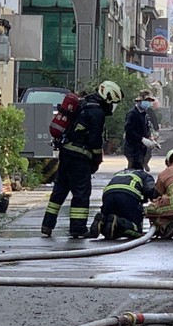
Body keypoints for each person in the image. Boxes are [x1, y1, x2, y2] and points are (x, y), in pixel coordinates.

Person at [40, 80, 124, 238]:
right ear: (107, 98)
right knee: (81, 193)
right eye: (113, 103)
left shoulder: (84, 103)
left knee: (59, 190)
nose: (113, 107)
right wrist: (97, 159)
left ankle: (47, 225)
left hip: (66, 152)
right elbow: (94, 140)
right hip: (79, 156)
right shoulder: (97, 112)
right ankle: (78, 229)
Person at [88, 168, 158, 240]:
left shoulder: (120, 173)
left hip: (108, 195)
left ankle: (102, 221)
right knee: (136, 230)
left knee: (108, 224)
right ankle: (118, 222)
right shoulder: (145, 175)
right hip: (128, 196)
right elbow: (151, 190)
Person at [124, 90, 158, 170]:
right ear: (139, 101)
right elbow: (129, 131)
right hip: (132, 148)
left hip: (141, 148)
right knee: (135, 169)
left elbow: (146, 128)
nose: (148, 103)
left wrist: (150, 138)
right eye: (146, 100)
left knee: (139, 168)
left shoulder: (144, 113)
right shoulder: (132, 114)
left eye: (150, 101)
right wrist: (142, 139)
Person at [143, 99, 160, 172]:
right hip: (137, 134)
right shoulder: (133, 112)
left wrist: (156, 131)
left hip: (148, 134)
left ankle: (145, 163)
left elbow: (154, 121)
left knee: (148, 152)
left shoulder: (150, 111)